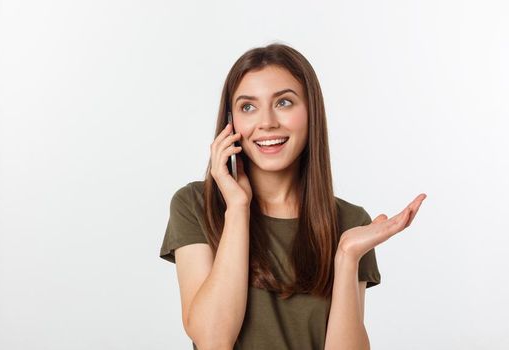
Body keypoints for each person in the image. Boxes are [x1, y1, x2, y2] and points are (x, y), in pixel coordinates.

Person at [158, 43, 427, 350]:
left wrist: (348, 256)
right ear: (230, 123)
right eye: (248, 107)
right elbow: (212, 339)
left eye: (284, 103)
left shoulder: (349, 223)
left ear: (311, 111)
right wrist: (237, 208)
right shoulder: (195, 204)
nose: (267, 122)